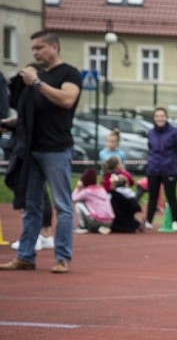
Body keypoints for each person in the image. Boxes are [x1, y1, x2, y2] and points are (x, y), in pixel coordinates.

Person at [0, 31, 81, 274]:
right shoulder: (37, 76)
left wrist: (36, 83)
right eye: (33, 48)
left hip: (56, 150)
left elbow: (67, 99)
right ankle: (25, 255)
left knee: (63, 206)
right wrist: (9, 122)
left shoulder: (68, 73)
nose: (35, 52)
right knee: (31, 205)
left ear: (54, 47)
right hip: (31, 150)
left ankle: (62, 257)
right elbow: (30, 114)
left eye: (40, 47)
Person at [145, 106, 177, 231]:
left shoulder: (174, 132)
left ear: (166, 117)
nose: (160, 118)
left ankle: (175, 221)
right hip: (153, 169)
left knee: (171, 195)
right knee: (153, 195)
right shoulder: (151, 133)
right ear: (154, 118)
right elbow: (151, 148)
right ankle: (149, 221)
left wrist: (175, 164)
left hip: (169, 169)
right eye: (157, 116)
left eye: (162, 116)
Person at [72, 168, 114, 234]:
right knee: (87, 203)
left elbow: (73, 198)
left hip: (97, 221)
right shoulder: (101, 189)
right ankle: (101, 227)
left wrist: (78, 187)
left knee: (79, 204)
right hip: (109, 222)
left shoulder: (87, 192)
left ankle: (83, 227)